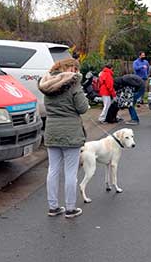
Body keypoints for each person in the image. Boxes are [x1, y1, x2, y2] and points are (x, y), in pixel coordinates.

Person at [39, 58, 89, 219]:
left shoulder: (47, 83)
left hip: (52, 130)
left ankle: (53, 206)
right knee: (70, 172)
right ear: (70, 68)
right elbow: (82, 108)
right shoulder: (73, 84)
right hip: (70, 132)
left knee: (53, 170)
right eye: (75, 68)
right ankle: (70, 208)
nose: (76, 72)